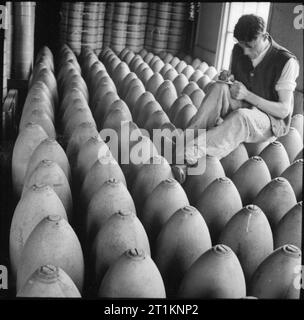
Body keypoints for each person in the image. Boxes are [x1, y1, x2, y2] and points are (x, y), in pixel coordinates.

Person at [172, 14, 300, 183]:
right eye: (241, 45)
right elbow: (235, 79)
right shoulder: (239, 50)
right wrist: (227, 79)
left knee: (241, 117)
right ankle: (185, 142)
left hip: (270, 120)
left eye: (250, 46)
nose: (245, 51)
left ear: (264, 36)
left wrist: (247, 95)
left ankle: (189, 157)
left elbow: (283, 110)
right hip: (245, 103)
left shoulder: (285, 61)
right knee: (218, 88)